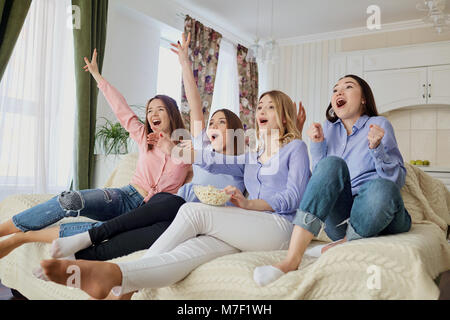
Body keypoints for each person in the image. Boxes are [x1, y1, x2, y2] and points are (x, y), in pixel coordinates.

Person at [37, 84, 311, 300]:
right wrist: (174, 150)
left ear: (284, 116)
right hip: (247, 230)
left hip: (281, 228)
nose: (261, 110)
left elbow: (294, 198)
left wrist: (249, 205)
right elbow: (214, 160)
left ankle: (117, 280)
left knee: (192, 211)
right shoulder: (254, 154)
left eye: (270, 107)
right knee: (187, 253)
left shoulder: (295, 148)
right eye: (259, 105)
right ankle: (118, 285)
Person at [0, 48, 191, 259]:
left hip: (147, 213)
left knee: (104, 231)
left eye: (160, 109)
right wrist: (97, 76)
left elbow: (196, 170)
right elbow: (122, 110)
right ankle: (4, 230)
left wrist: (170, 148)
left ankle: (23, 238)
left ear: (172, 113)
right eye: (149, 110)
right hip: (125, 196)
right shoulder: (143, 136)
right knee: (70, 200)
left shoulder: (187, 149)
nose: (153, 114)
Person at [253, 74, 412, 287]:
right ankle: (292, 259)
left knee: (381, 188)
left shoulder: (378, 124)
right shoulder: (329, 129)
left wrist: (377, 149)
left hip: (380, 211)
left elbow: (396, 180)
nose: (339, 92)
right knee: (331, 164)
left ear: (364, 98)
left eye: (348, 87)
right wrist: (317, 145)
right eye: (335, 89)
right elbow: (321, 182)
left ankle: (345, 243)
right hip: (342, 219)